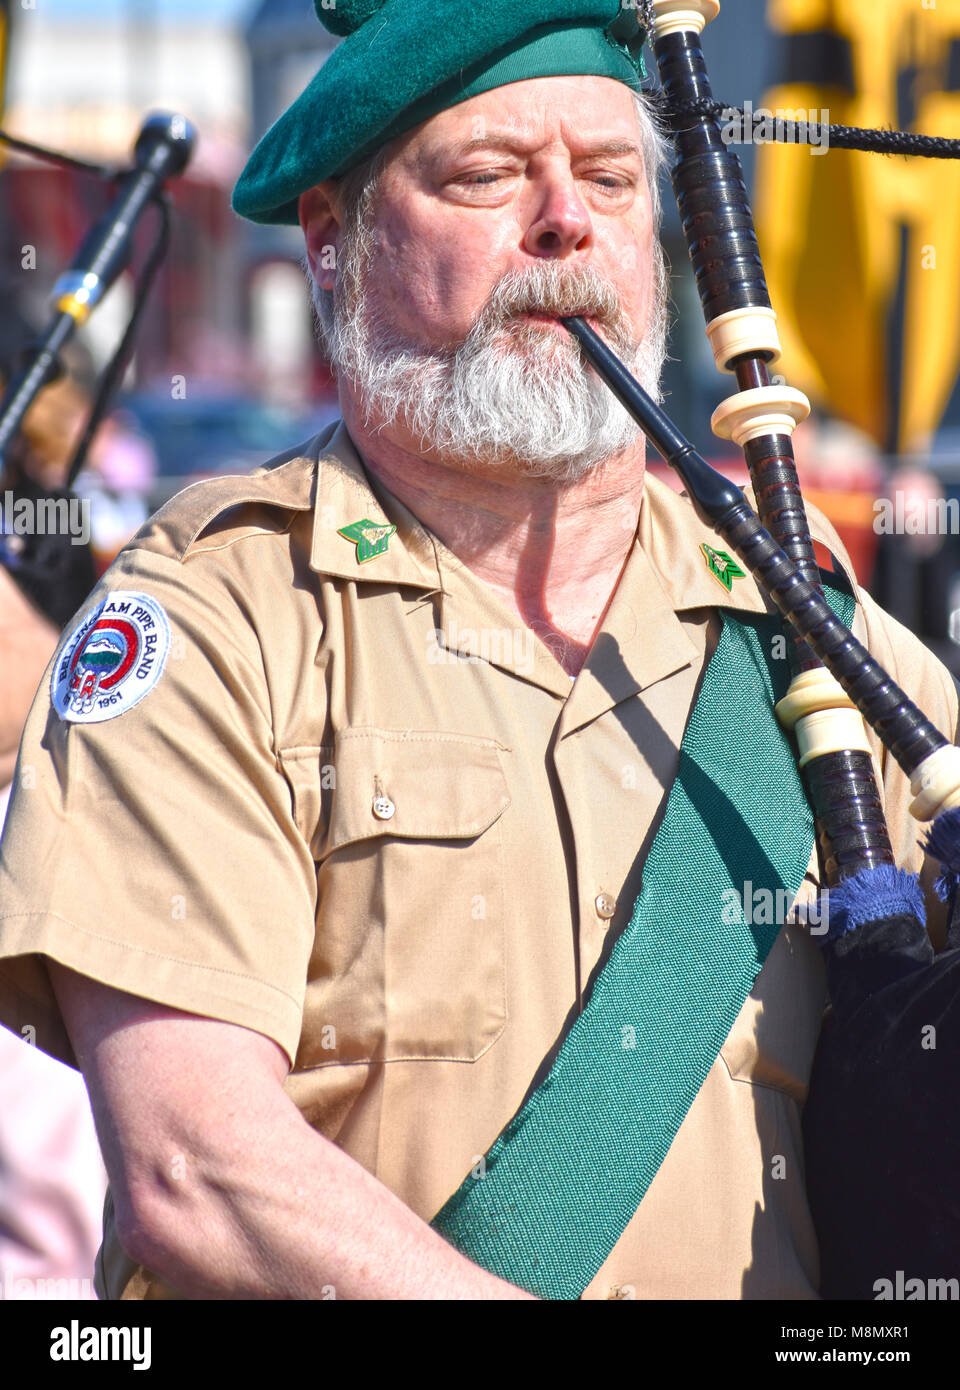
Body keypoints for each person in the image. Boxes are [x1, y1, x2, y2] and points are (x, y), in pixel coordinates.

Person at [0, 1, 956, 1301]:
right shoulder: (221, 614)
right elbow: (196, 1162)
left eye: (612, 178)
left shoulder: (827, 649)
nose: (566, 221)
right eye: (489, 175)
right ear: (335, 244)